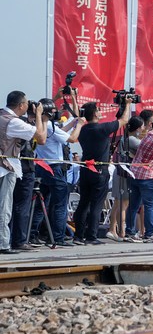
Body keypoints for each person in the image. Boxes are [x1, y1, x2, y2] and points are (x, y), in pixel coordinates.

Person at [74, 98, 130, 244]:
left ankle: (78, 235)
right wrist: (128, 103)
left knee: (83, 203)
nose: (100, 112)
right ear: (95, 114)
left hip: (85, 169)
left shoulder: (82, 129)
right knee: (96, 204)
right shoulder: (101, 129)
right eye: (98, 110)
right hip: (99, 170)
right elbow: (124, 120)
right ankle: (91, 236)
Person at [32, 99, 84, 247]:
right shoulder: (48, 125)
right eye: (54, 111)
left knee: (41, 203)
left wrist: (74, 121)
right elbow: (73, 139)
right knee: (60, 204)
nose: (56, 113)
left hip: (41, 166)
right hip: (54, 167)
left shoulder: (41, 125)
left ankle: (33, 234)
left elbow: (62, 131)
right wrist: (79, 125)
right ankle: (58, 237)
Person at [0, 91, 46, 254]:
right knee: (4, 207)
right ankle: (3, 244)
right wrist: (40, 115)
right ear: (21, 106)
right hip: (6, 168)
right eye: (26, 103)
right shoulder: (13, 122)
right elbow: (40, 137)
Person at [109, 116, 143, 241]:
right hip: (125, 174)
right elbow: (145, 147)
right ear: (138, 127)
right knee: (124, 204)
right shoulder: (132, 140)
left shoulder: (125, 138)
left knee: (118, 202)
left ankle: (114, 229)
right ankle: (121, 231)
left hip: (120, 172)